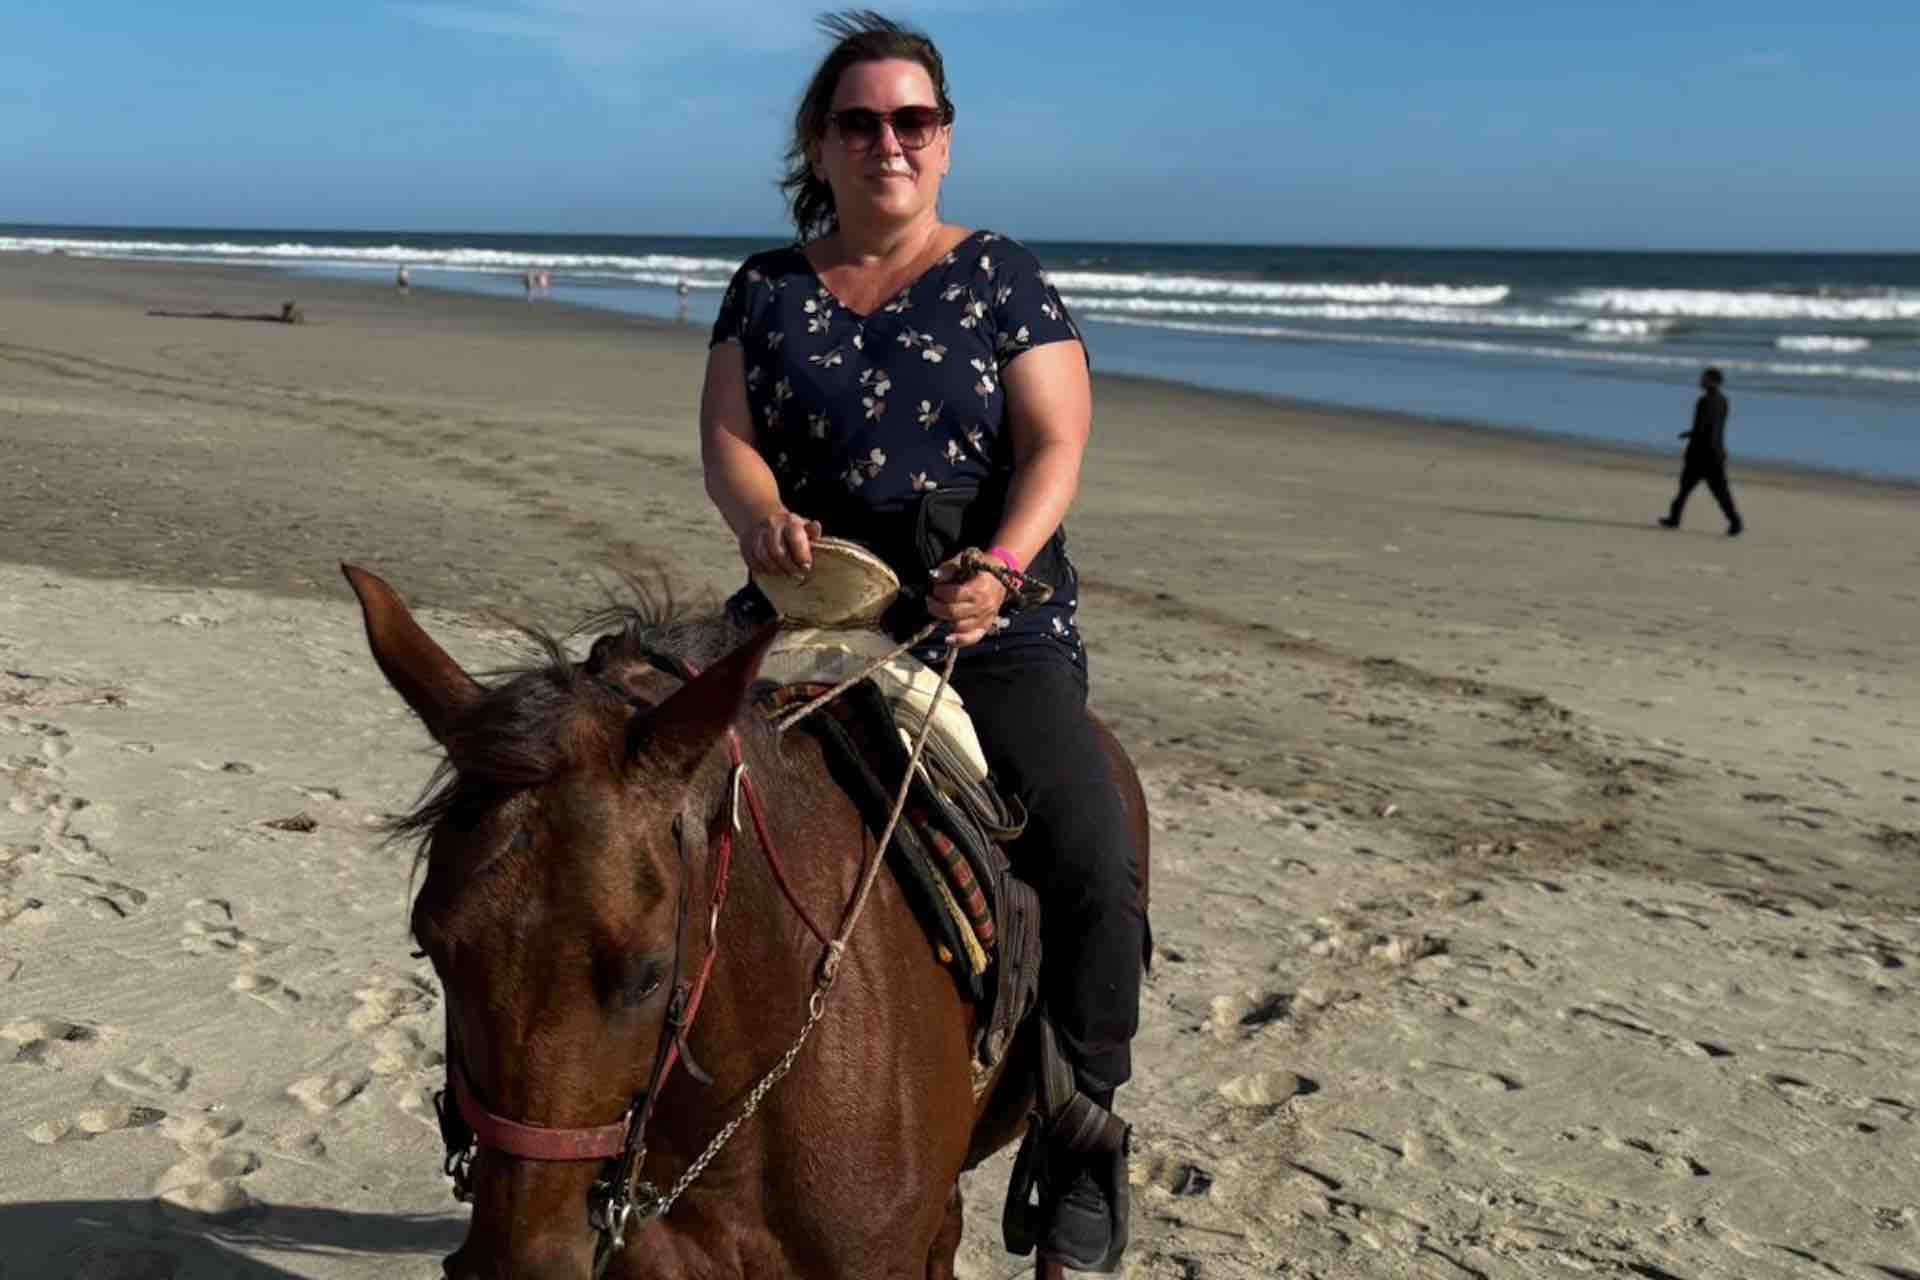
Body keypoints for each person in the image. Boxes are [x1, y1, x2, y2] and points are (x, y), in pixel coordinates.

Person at [697, 12, 1143, 1272]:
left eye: (913, 120)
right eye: (861, 120)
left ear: (945, 145)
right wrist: (758, 516)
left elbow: (1056, 442)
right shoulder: (766, 286)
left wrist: (1000, 571)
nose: (888, 140)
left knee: (1091, 851)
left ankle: (1081, 1126)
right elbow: (727, 437)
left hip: (981, 616)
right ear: (822, 145)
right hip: (808, 609)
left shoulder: (1002, 274)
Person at [1660, 367, 1743, 535]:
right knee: (1719, 492)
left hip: (1701, 454)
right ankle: (1735, 522)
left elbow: (1702, 427)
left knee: (1687, 489)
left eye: (1704, 379)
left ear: (1713, 381)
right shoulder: (1724, 401)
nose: (1701, 381)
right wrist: (1691, 434)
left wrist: (1690, 439)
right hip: (1717, 452)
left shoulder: (1704, 401)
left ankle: (1674, 519)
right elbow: (1715, 427)